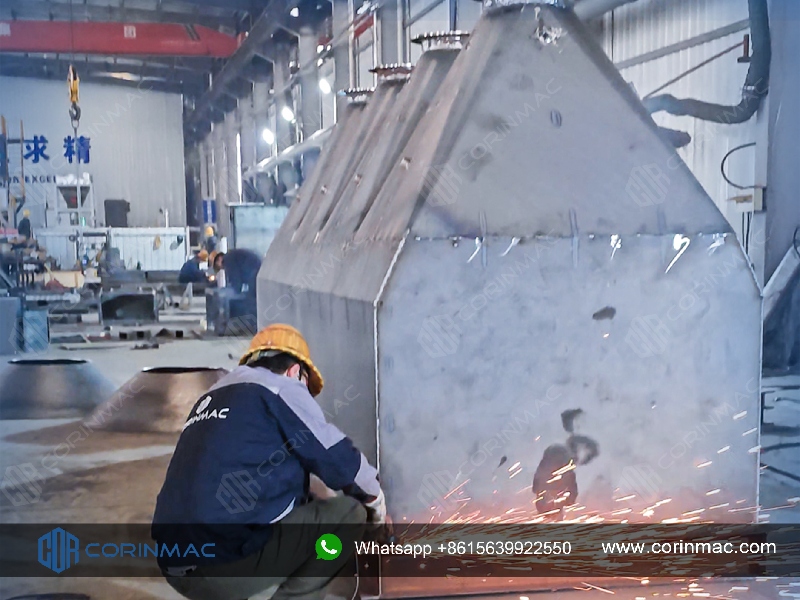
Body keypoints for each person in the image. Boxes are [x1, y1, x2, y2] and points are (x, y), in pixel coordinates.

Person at [152, 324, 385, 600]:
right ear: (295, 371)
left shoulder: (213, 397)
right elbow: (336, 457)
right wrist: (376, 502)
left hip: (173, 563)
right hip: (221, 567)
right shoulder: (280, 388)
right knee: (347, 515)